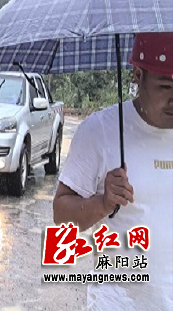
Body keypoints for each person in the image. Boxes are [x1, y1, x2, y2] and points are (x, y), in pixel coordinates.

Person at [52, 32, 172, 310]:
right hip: (118, 303)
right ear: (138, 75)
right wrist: (103, 203)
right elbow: (61, 217)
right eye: (166, 86)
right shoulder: (101, 131)